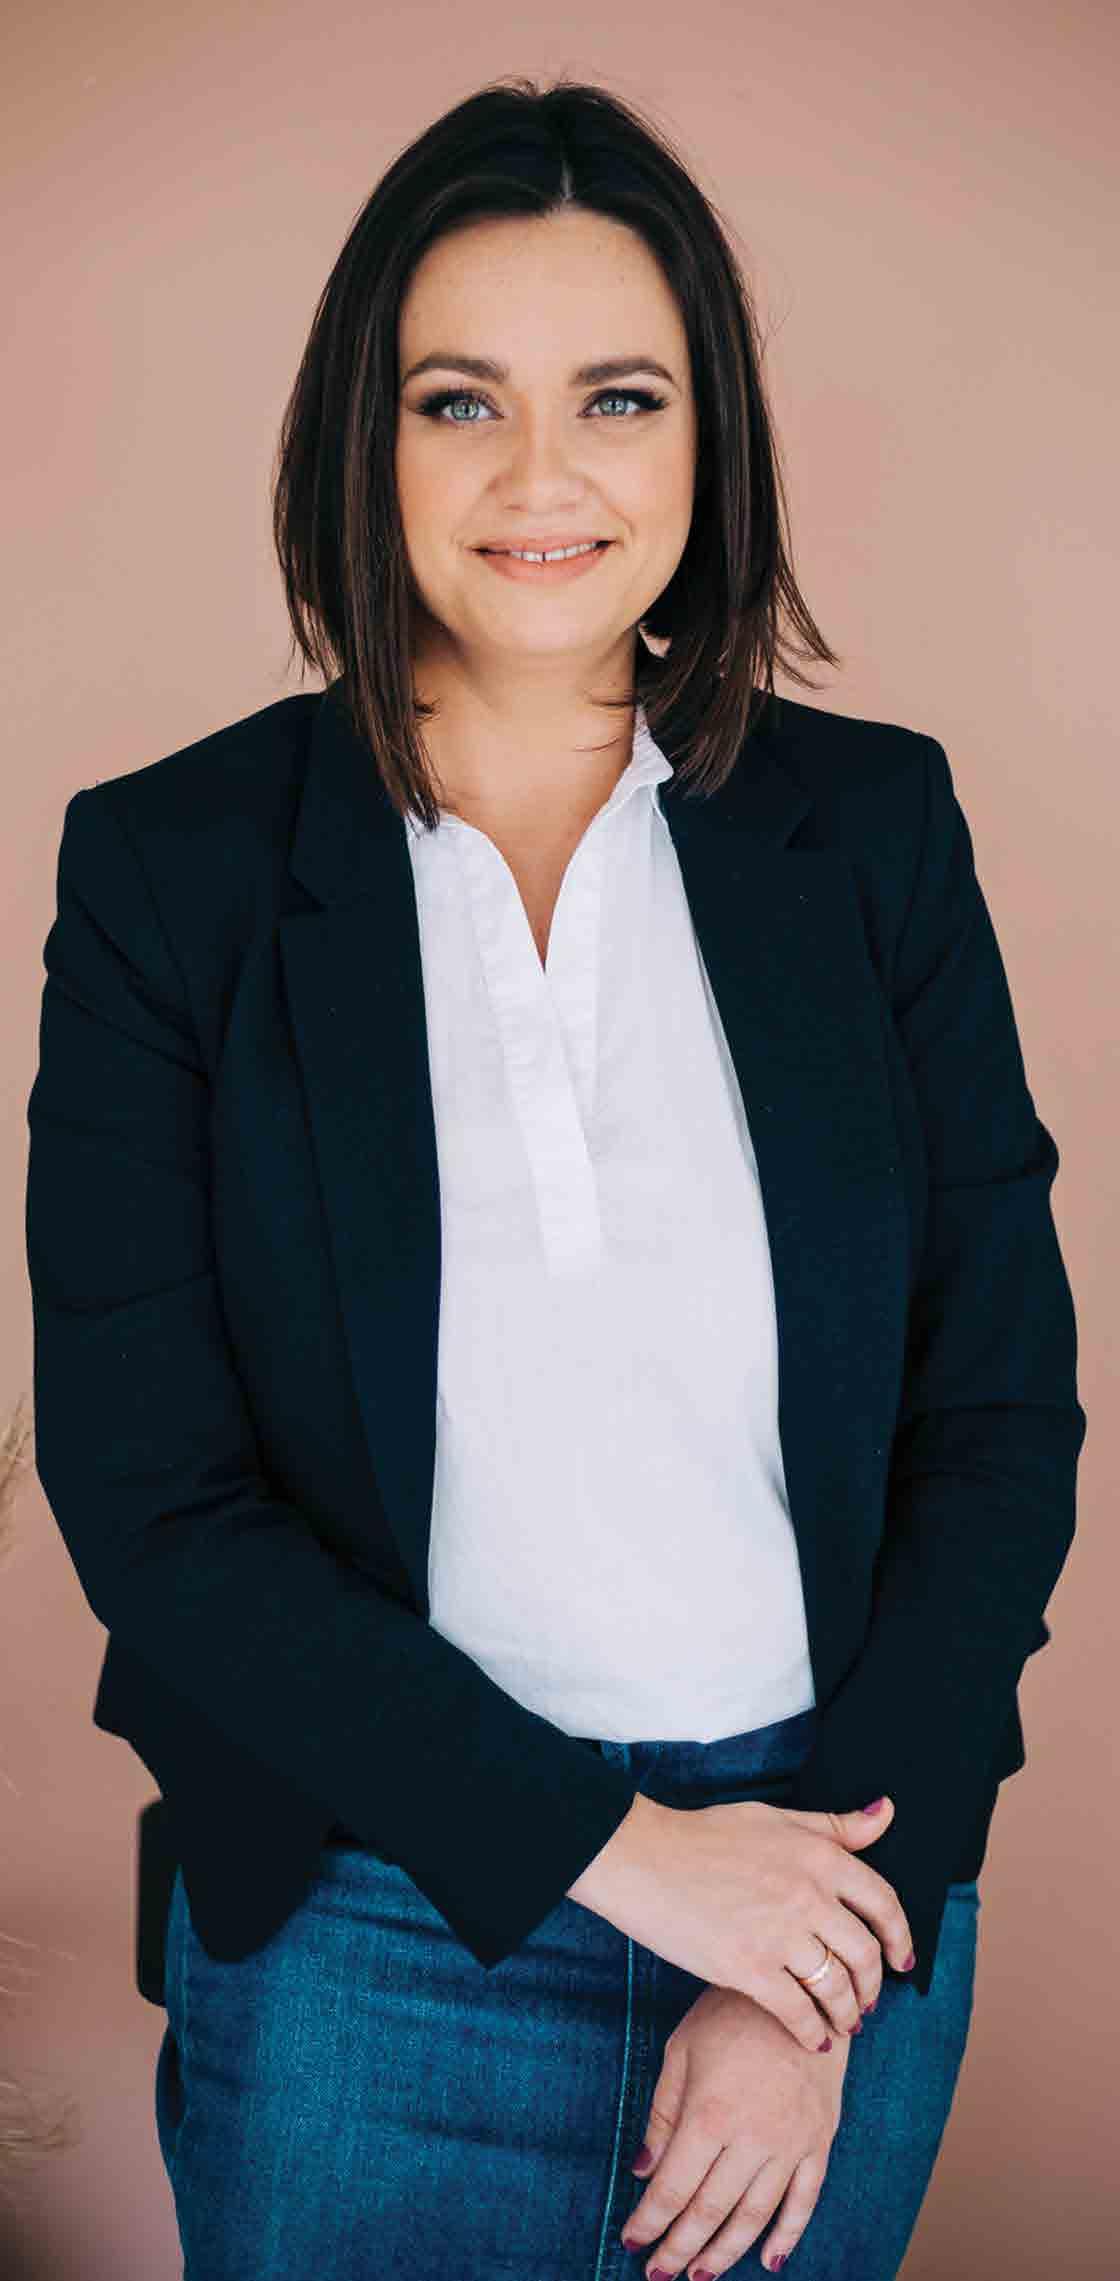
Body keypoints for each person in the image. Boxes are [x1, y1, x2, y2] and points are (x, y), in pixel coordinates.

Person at [25, 74, 1084, 2281]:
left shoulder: (874, 837)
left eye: (616, 397)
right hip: (359, 1936)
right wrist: (622, 1851)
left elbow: (997, 1416)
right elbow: (153, 1496)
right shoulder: (172, 873)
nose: (540, 477)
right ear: (364, 439)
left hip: (821, 1894)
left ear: (707, 443)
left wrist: (823, 1934)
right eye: (458, 402)